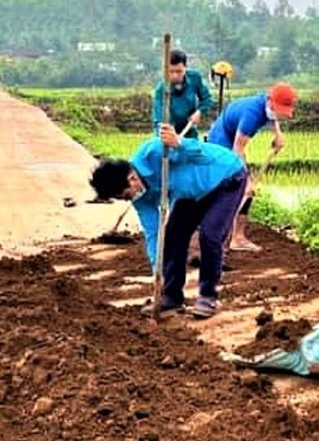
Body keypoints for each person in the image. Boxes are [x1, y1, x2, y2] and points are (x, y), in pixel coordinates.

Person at [89, 124, 247, 319]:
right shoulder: (140, 198)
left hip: (225, 178)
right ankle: (171, 297)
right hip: (189, 194)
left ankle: (208, 296)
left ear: (132, 178)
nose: (128, 199)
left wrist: (179, 144)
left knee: (210, 235)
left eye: (125, 194)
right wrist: (158, 271)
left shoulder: (155, 151)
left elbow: (204, 157)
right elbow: (154, 234)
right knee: (172, 237)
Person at [205, 82, 297, 252]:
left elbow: (273, 117)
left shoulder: (266, 104)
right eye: (278, 109)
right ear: (270, 102)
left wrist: (278, 134)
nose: (280, 114)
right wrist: (246, 181)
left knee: (245, 187)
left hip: (232, 140)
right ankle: (216, 236)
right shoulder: (252, 115)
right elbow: (237, 150)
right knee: (236, 185)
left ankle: (237, 237)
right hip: (221, 141)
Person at [151, 48, 215, 135]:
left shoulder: (195, 78)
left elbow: (207, 99)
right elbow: (158, 121)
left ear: (185, 67)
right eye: (171, 71)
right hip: (169, 134)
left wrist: (199, 112)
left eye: (179, 71)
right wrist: (166, 134)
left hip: (190, 131)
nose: (175, 75)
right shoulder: (160, 91)